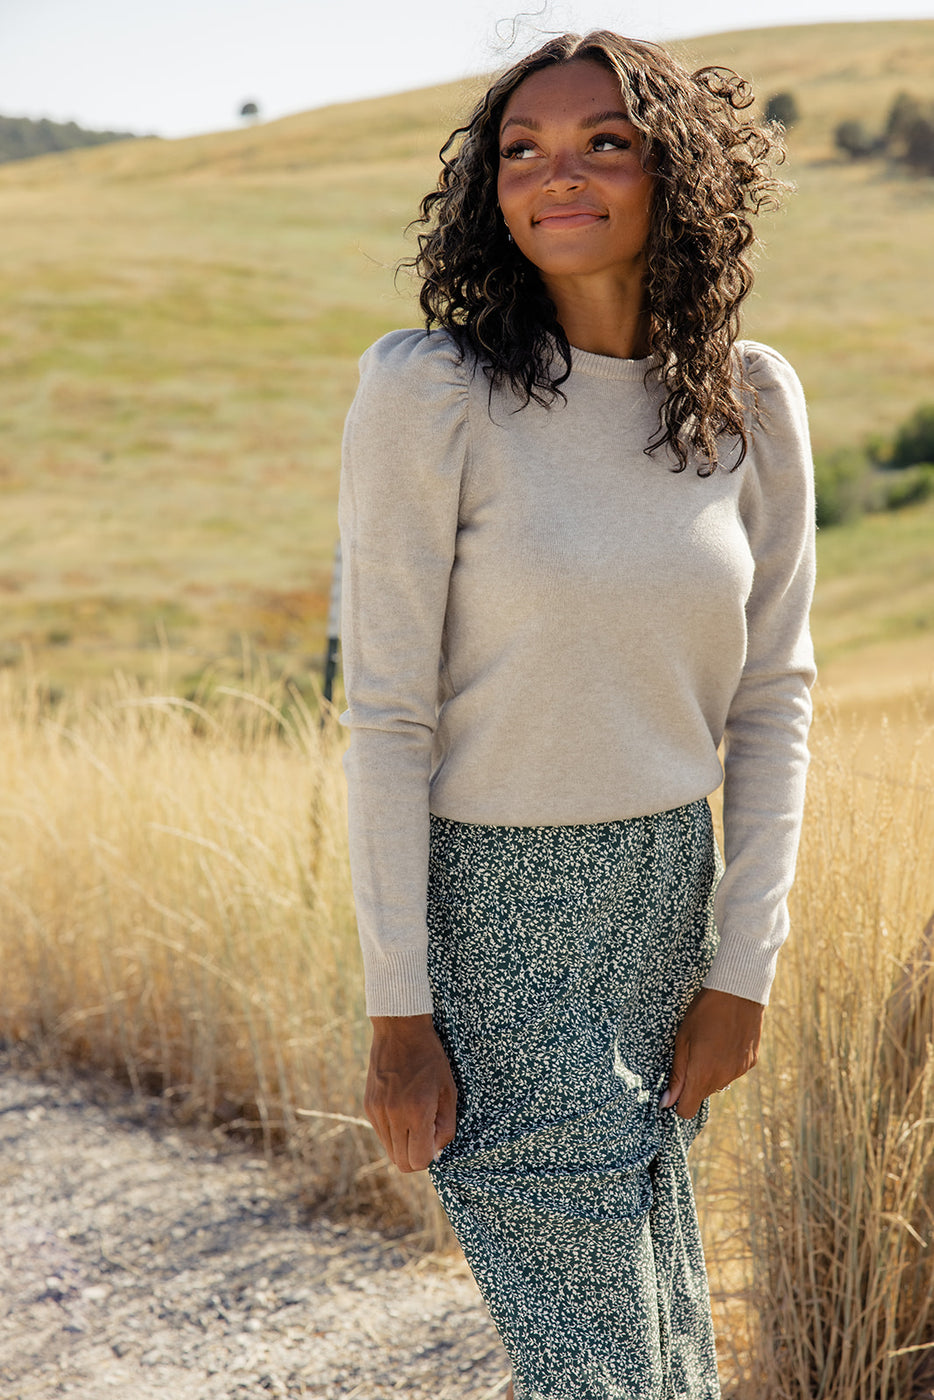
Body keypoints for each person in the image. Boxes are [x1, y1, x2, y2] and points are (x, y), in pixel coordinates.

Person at [338, 29, 816, 1400]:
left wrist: (743, 967)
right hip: (490, 914)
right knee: (596, 1354)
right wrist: (397, 1012)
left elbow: (774, 697)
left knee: (659, 1329)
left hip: (667, 890)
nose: (559, 176)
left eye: (603, 142)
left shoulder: (749, 400)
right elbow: (385, 716)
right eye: (521, 152)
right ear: (488, 191)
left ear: (675, 173)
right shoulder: (431, 393)